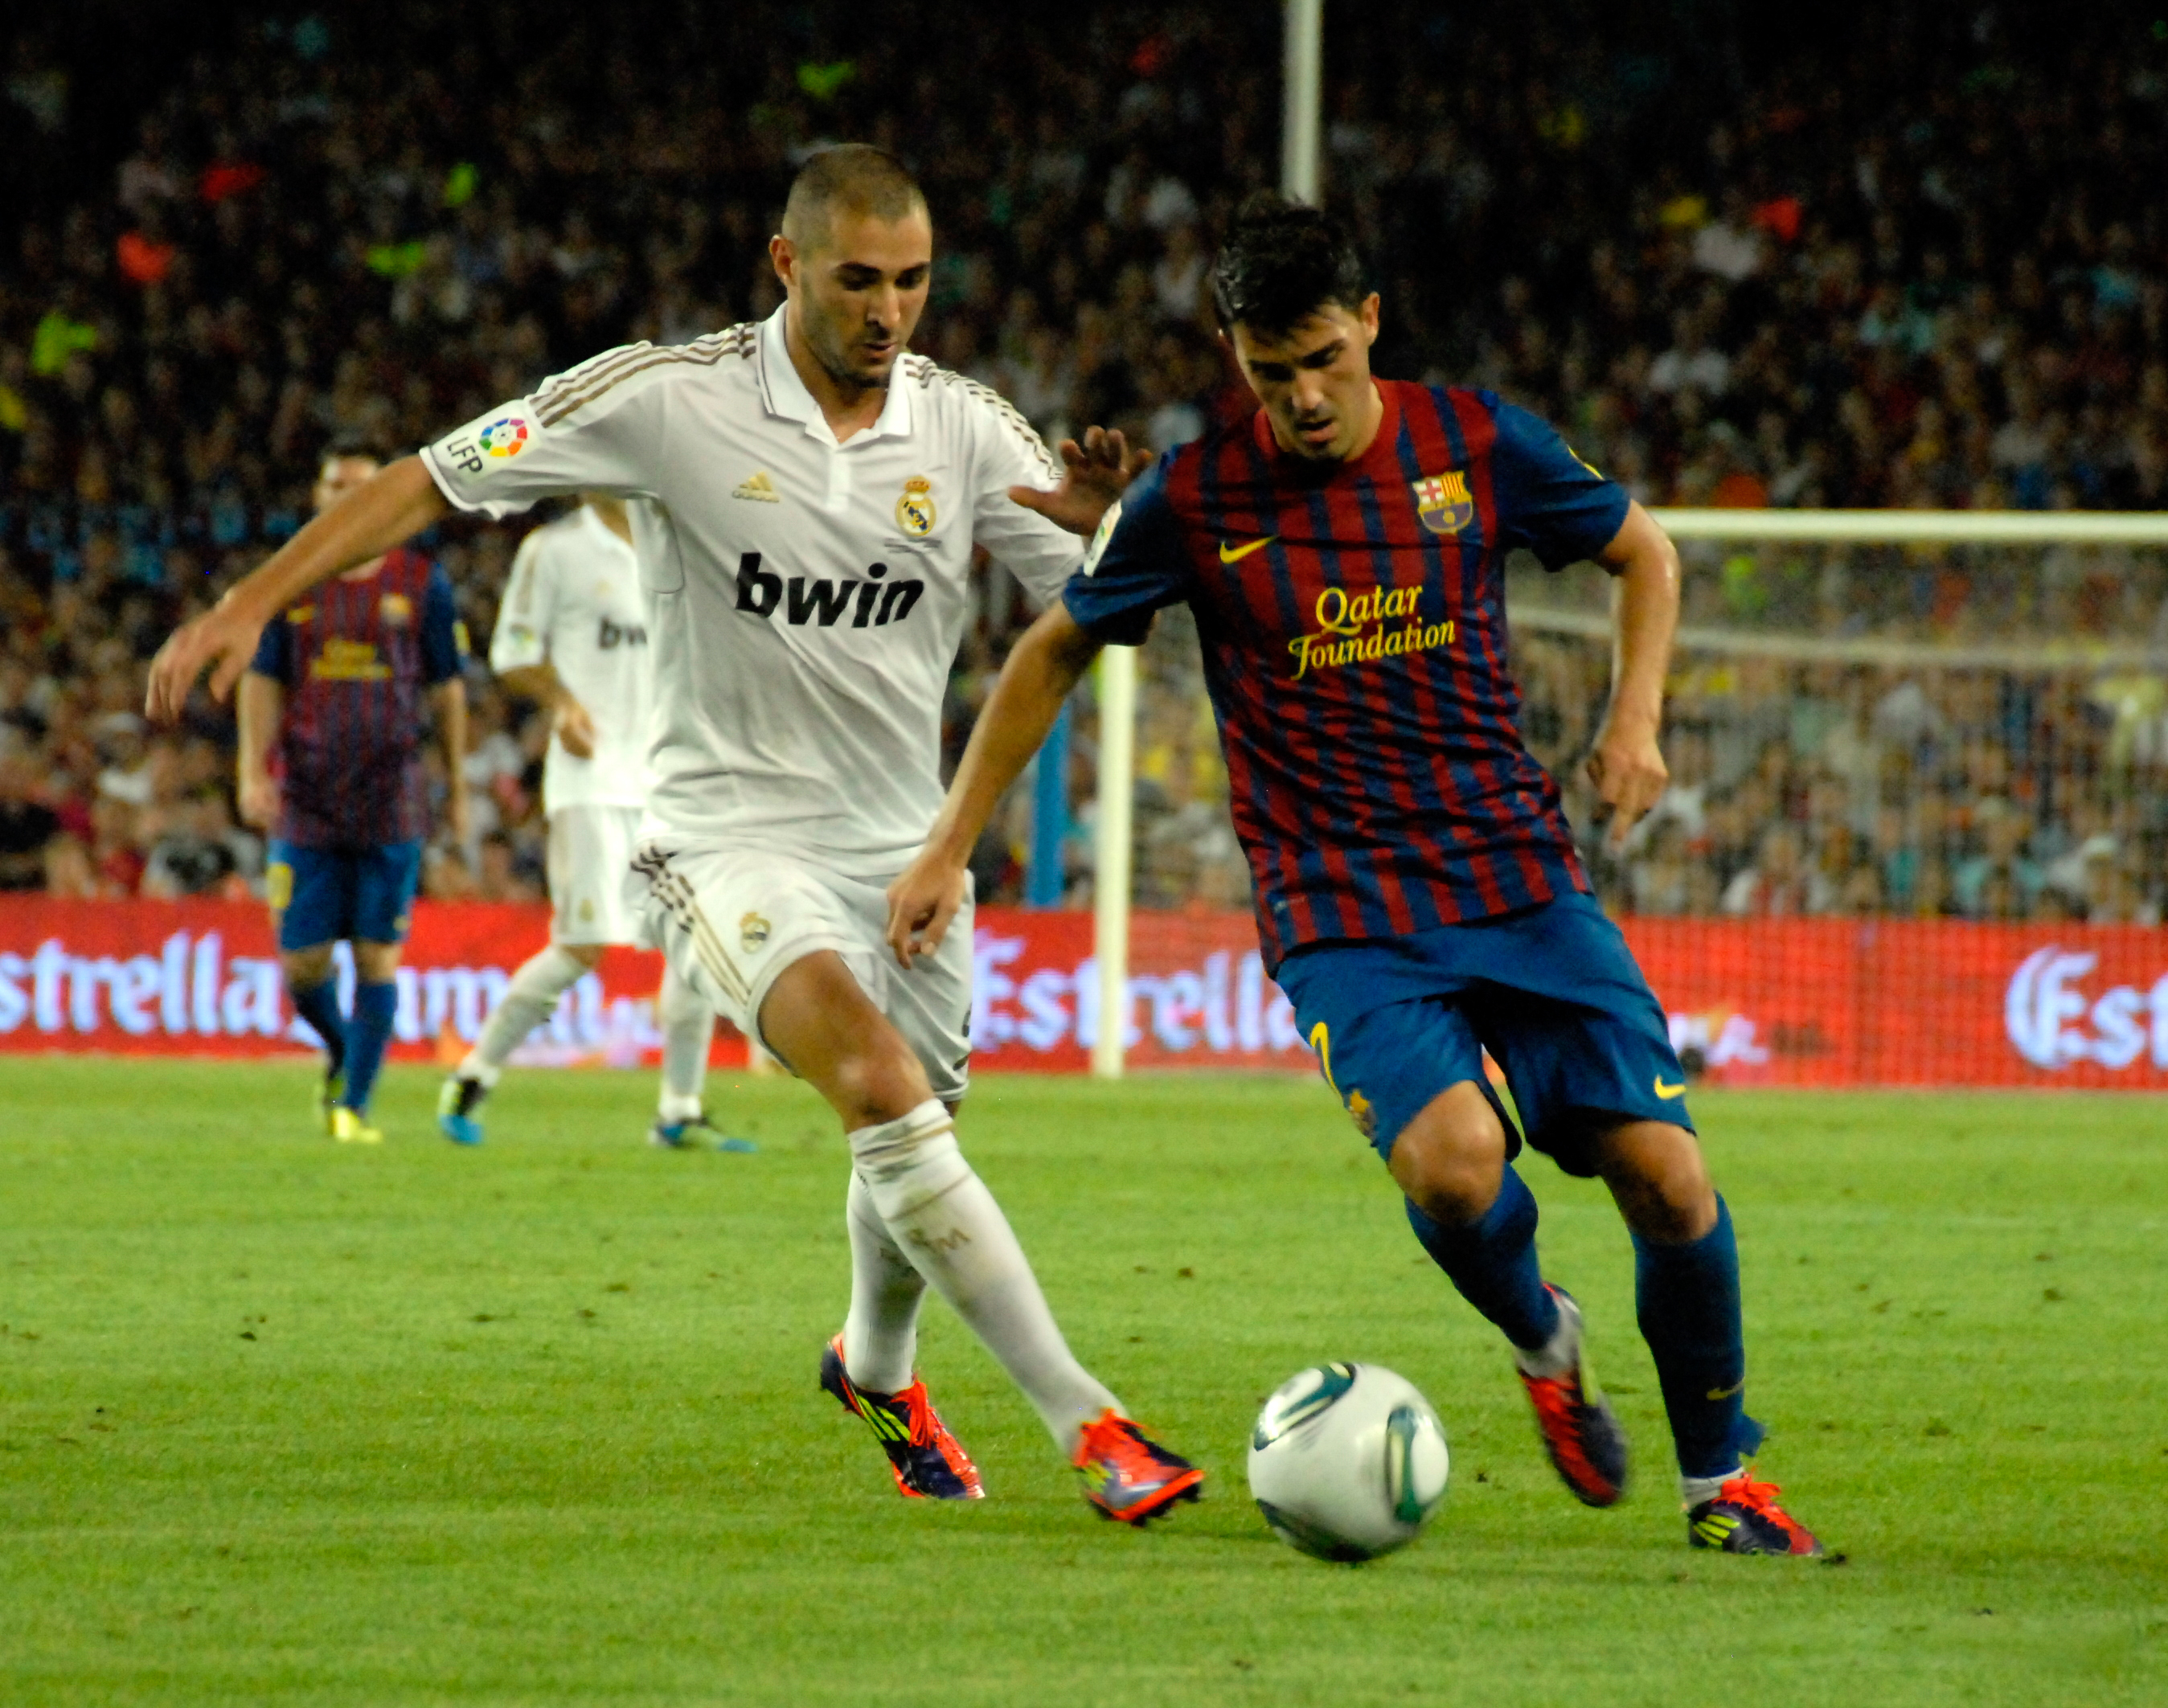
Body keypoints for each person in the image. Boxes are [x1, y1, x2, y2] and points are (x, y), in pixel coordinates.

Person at [147, 145, 1200, 1526]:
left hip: (907, 844)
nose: (889, 312)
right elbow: (427, 480)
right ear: (787, 265)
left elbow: (1107, 615)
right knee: (881, 1090)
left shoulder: (964, 427)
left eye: (913, 282)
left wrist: (1110, 523)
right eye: (858, 280)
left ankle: (874, 1366)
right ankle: (1095, 1427)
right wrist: (247, 603)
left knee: (915, 1124)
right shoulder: (667, 397)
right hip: (725, 836)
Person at [888, 195, 1823, 1556]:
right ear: (1234, 357)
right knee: (1453, 1170)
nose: (1306, 397)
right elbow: (1048, 653)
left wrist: (1635, 720)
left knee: (1669, 1179)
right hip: (1343, 916)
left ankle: (1719, 1481)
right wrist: (946, 843)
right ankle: (1540, 1337)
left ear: (1369, 321)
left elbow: (1645, 552)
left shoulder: (1474, 440)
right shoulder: (1195, 498)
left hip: (1516, 879)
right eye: (1272, 374)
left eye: (1324, 359)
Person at [436, 494, 732, 1150]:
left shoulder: (680, 541)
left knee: (697, 943)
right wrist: (560, 701)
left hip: (673, 780)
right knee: (581, 946)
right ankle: (473, 1073)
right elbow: (513, 650)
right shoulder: (556, 550)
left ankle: (679, 1109)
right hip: (592, 776)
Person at [235, 437, 469, 1144]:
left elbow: (448, 689)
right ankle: (343, 1052)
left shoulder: (421, 583)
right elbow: (261, 678)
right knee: (302, 965)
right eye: (334, 486)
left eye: (361, 487)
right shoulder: (291, 583)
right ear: (317, 497)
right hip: (305, 795)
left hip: (390, 794)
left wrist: (457, 784)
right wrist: (251, 768)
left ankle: (354, 1106)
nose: (346, 499)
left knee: (376, 955)